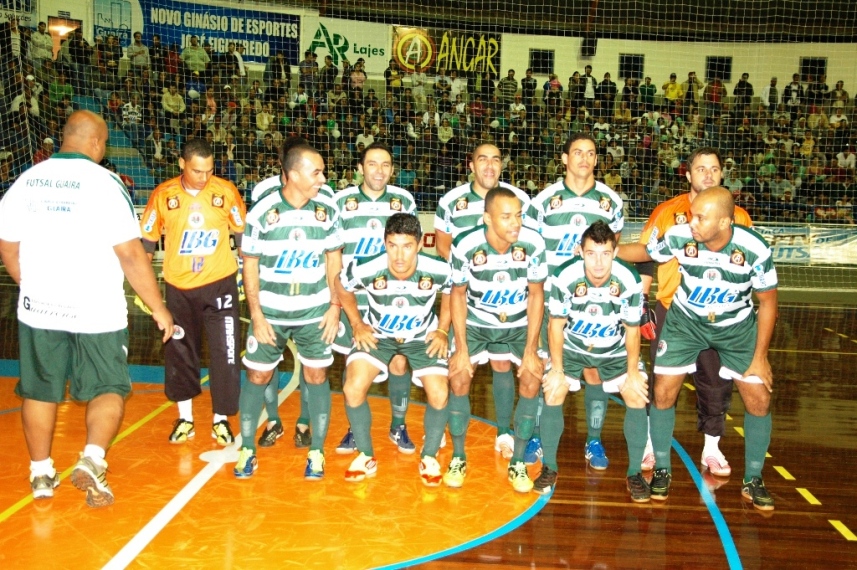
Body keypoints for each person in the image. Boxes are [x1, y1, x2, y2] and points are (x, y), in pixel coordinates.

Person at [0, 110, 173, 507]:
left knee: (40, 390)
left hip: (40, 308)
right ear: (97, 144)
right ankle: (92, 459)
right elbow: (131, 254)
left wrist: (31, 285)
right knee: (108, 386)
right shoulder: (105, 184)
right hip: (96, 309)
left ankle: (40, 473)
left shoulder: (25, 182)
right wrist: (158, 307)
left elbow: (8, 246)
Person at [637, 187, 778, 511]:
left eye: (700, 216)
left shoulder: (753, 248)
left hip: (737, 327)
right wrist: (605, 249)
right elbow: (646, 252)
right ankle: (661, 467)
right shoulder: (680, 234)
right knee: (663, 392)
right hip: (686, 322)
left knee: (759, 398)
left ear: (726, 221)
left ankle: (754, 477)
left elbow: (768, 304)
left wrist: (760, 357)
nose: (692, 221)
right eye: (691, 214)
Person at [619, 146, 751, 476]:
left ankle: (712, 448)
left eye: (714, 168)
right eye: (700, 168)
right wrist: (641, 296)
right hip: (671, 311)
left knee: (715, 383)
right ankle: (651, 443)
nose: (707, 174)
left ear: (722, 174)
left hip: (719, 316)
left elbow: (747, 264)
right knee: (664, 383)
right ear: (688, 174)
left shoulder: (740, 217)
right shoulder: (667, 212)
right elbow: (649, 254)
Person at [234, 142, 343, 480]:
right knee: (257, 375)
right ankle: (248, 450)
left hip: (315, 313)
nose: (323, 179)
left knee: (317, 376)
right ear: (293, 174)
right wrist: (258, 315)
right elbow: (249, 266)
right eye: (316, 172)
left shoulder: (328, 210)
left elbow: (333, 260)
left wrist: (335, 306)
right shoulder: (262, 212)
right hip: (271, 314)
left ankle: (316, 453)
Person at [139, 139, 247, 446]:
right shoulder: (164, 194)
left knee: (225, 353)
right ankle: (185, 418)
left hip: (220, 285)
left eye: (209, 170)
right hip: (179, 289)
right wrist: (147, 291)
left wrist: (247, 275)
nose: (203, 177)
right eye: (197, 170)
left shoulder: (225, 191)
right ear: (182, 164)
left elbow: (243, 237)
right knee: (180, 353)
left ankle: (221, 421)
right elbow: (146, 245)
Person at [528, 133, 624, 472]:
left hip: (593, 304)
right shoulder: (543, 201)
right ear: (564, 159)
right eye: (577, 152)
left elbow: (613, 251)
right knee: (545, 370)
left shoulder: (611, 202)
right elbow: (530, 250)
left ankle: (594, 439)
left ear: (597, 160)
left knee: (594, 372)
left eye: (591, 153)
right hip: (554, 302)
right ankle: (538, 435)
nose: (584, 158)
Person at [434, 143, 535, 461]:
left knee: (503, 363)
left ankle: (504, 432)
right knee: (457, 367)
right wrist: (476, 266)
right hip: (464, 290)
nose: (490, 165)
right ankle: (440, 432)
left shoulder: (520, 199)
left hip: (508, 298)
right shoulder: (451, 201)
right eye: (482, 159)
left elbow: (523, 246)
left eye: (496, 160)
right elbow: (444, 247)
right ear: (471, 165)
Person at [336, 213, 452, 485]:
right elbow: (341, 286)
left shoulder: (439, 268)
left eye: (407, 246)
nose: (399, 255)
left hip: (420, 336)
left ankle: (430, 456)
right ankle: (366, 455)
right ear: (384, 243)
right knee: (352, 387)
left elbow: (452, 291)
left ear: (420, 244)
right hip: (380, 334)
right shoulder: (367, 267)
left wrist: (443, 329)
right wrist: (357, 324)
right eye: (392, 245)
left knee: (439, 393)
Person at [446, 187, 547, 492]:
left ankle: (517, 462)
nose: (515, 222)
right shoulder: (465, 244)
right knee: (459, 376)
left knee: (532, 375)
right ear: (487, 218)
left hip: (518, 323)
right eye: (506, 217)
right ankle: (458, 455)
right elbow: (458, 295)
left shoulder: (533, 242)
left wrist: (530, 349)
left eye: (518, 215)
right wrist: (462, 349)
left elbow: (536, 294)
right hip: (477, 321)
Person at [542, 221, 647, 499]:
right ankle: (549, 467)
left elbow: (632, 329)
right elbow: (555, 325)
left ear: (615, 251)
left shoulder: (629, 279)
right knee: (554, 388)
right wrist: (557, 369)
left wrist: (633, 372)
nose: (598, 262)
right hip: (574, 346)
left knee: (636, 393)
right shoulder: (564, 276)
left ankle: (635, 472)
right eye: (591, 253)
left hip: (614, 350)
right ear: (580, 251)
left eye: (605, 253)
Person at [328, 143, 420, 454]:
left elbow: (410, 251)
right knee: (352, 362)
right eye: (372, 164)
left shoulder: (403, 200)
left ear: (392, 169)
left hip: (392, 299)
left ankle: (398, 425)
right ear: (360, 167)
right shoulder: (341, 201)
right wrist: (336, 300)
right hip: (354, 297)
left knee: (398, 360)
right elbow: (334, 254)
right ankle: (355, 428)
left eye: (385, 165)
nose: (379, 171)